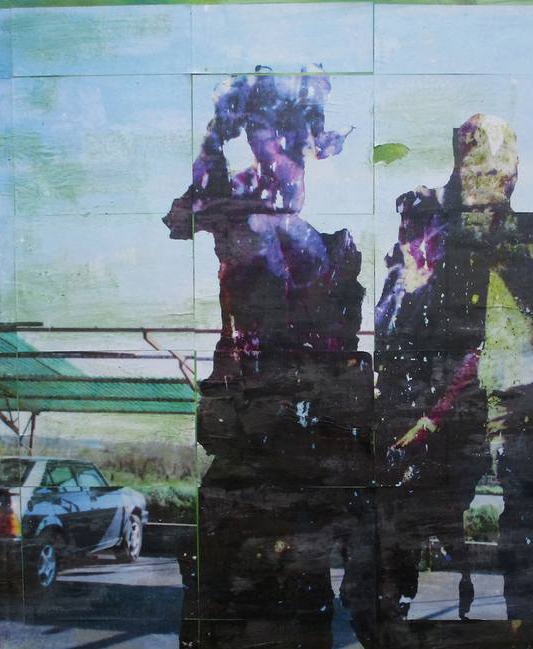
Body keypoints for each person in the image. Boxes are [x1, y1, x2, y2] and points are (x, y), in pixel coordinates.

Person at [376, 114, 533, 649]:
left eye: (502, 169)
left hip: (522, 413)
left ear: (515, 172)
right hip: (446, 415)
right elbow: (392, 321)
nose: (494, 180)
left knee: (528, 542)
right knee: (411, 526)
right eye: (479, 165)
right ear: (459, 166)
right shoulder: (428, 229)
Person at [163, 66, 375, 649]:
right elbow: (182, 219)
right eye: (261, 139)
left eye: (280, 142)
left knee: (283, 600)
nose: (272, 159)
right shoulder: (249, 212)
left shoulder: (323, 253)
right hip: (246, 452)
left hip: (286, 459)